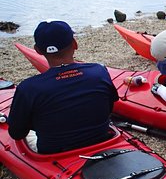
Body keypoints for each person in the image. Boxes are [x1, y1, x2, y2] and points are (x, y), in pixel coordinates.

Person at [8, 20, 118, 153]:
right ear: (75, 44)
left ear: (37, 50)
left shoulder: (28, 88)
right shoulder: (99, 71)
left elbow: (16, 134)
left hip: (53, 152)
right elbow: (110, 107)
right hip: (100, 140)